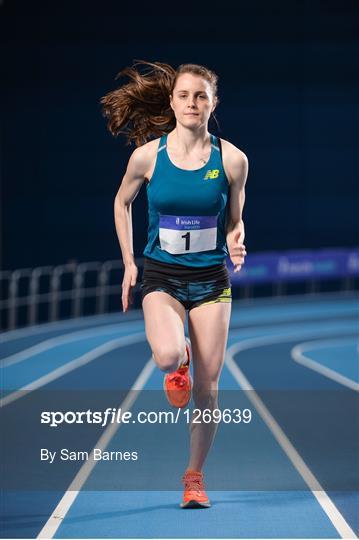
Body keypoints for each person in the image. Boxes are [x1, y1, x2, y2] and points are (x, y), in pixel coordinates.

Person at [101, 60, 248, 508]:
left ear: (213, 103)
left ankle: (193, 477)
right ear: (172, 101)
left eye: (201, 96)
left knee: (208, 387)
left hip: (210, 281)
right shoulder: (148, 156)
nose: (192, 103)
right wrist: (129, 264)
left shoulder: (233, 160)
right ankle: (177, 360)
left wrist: (236, 239)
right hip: (162, 275)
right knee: (168, 356)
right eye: (184, 95)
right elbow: (121, 202)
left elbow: (235, 221)